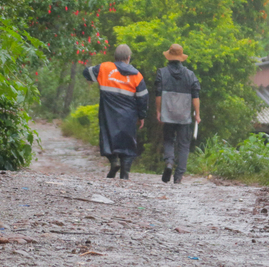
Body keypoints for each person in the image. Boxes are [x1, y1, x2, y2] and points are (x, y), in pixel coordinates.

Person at [82, 44, 148, 179]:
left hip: (108, 114)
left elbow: (86, 72)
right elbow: (143, 98)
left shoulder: (104, 68)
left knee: (107, 139)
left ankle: (114, 161)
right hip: (129, 116)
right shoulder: (137, 75)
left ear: (115, 57)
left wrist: (92, 78)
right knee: (128, 143)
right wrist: (142, 116)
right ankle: (125, 175)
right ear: (128, 58)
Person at [154, 43, 201, 184]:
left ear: (169, 56)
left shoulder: (162, 73)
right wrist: (197, 114)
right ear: (181, 57)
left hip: (168, 113)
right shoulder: (190, 75)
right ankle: (179, 176)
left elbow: (158, 95)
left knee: (168, 139)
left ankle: (169, 162)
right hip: (184, 115)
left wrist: (158, 111)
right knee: (184, 144)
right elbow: (196, 97)